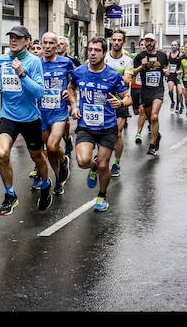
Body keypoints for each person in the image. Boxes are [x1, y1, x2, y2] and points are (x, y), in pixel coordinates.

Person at [0, 25, 49, 215]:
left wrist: (22, 74)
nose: (13, 41)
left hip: (30, 118)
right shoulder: (2, 59)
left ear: (27, 41)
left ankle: (46, 183)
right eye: (11, 37)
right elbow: (1, 77)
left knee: (36, 156)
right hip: (8, 116)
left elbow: (40, 92)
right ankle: (10, 195)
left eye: (18, 37)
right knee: (1, 153)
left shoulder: (34, 62)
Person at [69, 37, 127, 212]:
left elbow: (127, 97)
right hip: (86, 125)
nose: (92, 53)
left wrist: (122, 103)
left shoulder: (113, 75)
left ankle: (102, 195)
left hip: (107, 127)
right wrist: (74, 105)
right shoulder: (79, 72)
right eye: (90, 50)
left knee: (104, 165)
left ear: (104, 53)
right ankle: (92, 168)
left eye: (97, 50)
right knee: (82, 161)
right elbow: (70, 88)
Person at [37, 32, 76, 196]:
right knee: (50, 150)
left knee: (52, 146)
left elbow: (75, 83)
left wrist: (71, 97)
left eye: (51, 43)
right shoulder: (35, 63)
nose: (47, 47)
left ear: (57, 46)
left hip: (59, 112)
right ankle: (60, 174)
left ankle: (60, 172)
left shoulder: (66, 62)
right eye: (44, 43)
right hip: (41, 112)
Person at [131, 33, 169, 156]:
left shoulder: (162, 56)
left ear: (155, 42)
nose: (148, 43)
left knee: (153, 116)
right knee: (149, 118)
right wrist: (141, 66)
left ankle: (152, 145)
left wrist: (166, 71)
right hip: (145, 91)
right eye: (146, 41)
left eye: (150, 41)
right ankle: (156, 135)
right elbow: (132, 73)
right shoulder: (140, 57)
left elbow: (166, 67)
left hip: (158, 90)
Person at [103, 29, 133, 177]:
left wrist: (105, 79)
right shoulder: (104, 57)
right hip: (102, 101)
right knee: (102, 132)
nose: (116, 42)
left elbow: (126, 81)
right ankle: (102, 156)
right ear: (110, 41)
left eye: (119, 40)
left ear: (123, 42)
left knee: (118, 133)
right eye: (114, 39)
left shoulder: (128, 61)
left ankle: (116, 162)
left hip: (120, 100)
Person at [56, 35, 79, 155]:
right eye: (57, 43)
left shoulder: (71, 61)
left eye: (62, 44)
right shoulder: (48, 60)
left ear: (66, 47)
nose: (59, 46)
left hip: (67, 96)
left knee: (63, 120)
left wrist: (69, 91)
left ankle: (67, 139)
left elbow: (76, 79)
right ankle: (66, 139)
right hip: (52, 97)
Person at [130, 38, 148, 144]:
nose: (143, 47)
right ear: (139, 46)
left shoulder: (151, 58)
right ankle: (147, 116)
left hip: (145, 89)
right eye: (141, 45)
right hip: (135, 87)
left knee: (141, 110)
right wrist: (142, 67)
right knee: (136, 112)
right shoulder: (134, 58)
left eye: (145, 45)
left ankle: (138, 133)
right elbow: (132, 73)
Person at [166, 41, 184, 114]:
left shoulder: (180, 54)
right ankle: (172, 102)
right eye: (172, 45)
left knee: (179, 92)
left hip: (178, 75)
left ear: (177, 46)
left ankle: (177, 105)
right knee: (170, 90)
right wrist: (167, 70)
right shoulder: (168, 54)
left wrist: (181, 71)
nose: (173, 46)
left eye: (175, 45)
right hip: (171, 74)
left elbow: (183, 64)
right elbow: (167, 64)